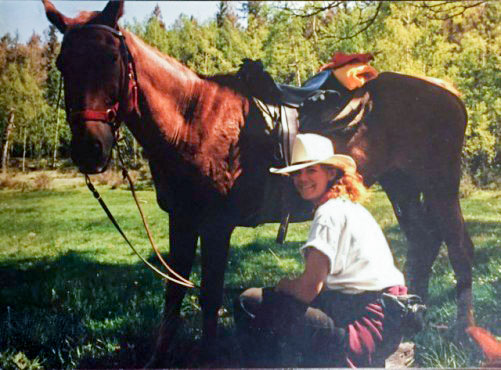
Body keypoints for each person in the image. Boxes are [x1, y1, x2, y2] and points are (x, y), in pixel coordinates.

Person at [233, 133, 408, 368]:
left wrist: (283, 285)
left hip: (363, 328)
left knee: (250, 300)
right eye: (297, 172)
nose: (302, 179)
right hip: (387, 321)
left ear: (331, 172)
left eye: (311, 171)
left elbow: (308, 290)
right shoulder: (349, 207)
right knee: (282, 305)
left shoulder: (328, 214)